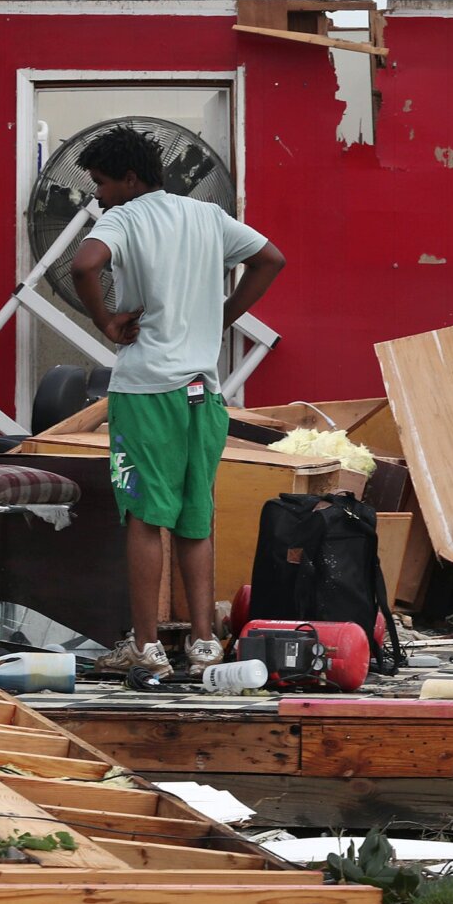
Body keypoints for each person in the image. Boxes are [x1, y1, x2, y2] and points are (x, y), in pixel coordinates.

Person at [68, 125, 285, 676]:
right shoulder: (207, 216)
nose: (96, 196)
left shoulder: (123, 218)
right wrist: (224, 315)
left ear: (131, 179)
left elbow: (83, 265)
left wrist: (105, 320)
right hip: (203, 393)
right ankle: (205, 645)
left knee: (144, 518)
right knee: (196, 518)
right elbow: (271, 259)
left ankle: (146, 649)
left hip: (145, 393)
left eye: (100, 183)